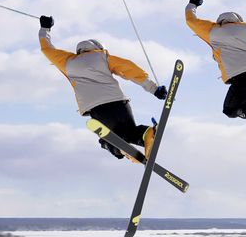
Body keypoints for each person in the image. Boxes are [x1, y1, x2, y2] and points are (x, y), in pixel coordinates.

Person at [38, 15, 167, 160]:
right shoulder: (103, 57)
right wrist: (154, 89)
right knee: (130, 132)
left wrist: (45, 28)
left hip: (97, 110)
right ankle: (148, 134)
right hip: (119, 104)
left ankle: (121, 150)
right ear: (98, 48)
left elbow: (47, 49)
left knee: (107, 139)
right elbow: (129, 69)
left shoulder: (67, 62)